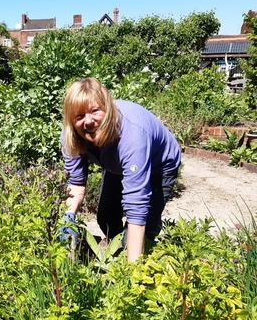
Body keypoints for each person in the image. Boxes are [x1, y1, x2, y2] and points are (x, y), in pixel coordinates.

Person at [60, 77, 181, 262]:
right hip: (120, 164)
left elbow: (136, 205)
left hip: (160, 166)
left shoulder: (132, 134)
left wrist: (133, 276)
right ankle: (123, 250)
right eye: (79, 116)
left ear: (107, 108)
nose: (89, 121)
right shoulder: (71, 136)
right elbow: (76, 184)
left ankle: (141, 245)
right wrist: (67, 220)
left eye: (95, 111)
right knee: (106, 219)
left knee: (143, 226)